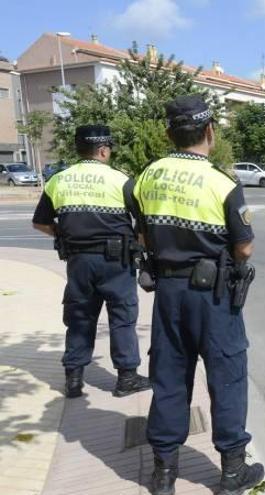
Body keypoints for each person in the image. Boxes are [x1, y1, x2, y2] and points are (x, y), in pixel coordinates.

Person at [132, 94, 264, 495]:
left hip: (168, 293)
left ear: (169, 133)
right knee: (226, 375)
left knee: (169, 376)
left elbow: (141, 234)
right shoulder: (222, 183)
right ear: (210, 130)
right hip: (214, 296)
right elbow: (243, 248)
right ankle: (231, 472)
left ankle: (163, 474)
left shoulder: (146, 176)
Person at [31, 125, 151, 399]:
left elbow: (40, 223)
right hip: (116, 262)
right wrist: (140, 249)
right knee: (122, 317)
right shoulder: (121, 180)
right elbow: (143, 226)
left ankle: (74, 379)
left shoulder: (58, 180)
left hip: (79, 262)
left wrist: (62, 236)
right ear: (104, 150)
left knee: (80, 318)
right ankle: (127, 378)